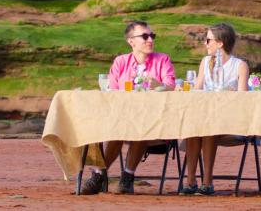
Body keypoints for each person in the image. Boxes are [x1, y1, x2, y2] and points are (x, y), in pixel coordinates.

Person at [80, 20, 176, 195]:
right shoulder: (120, 62)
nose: (150, 40)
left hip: (154, 119)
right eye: (145, 36)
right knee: (121, 128)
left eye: (152, 36)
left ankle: (124, 176)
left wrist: (157, 84)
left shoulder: (163, 60)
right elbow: (112, 92)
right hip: (121, 117)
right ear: (131, 41)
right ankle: (100, 174)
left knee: (139, 127)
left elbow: (171, 87)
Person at [180, 23, 249, 195]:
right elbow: (197, 90)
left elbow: (243, 99)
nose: (205, 43)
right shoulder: (205, 62)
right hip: (206, 115)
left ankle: (207, 182)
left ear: (220, 43)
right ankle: (190, 181)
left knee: (208, 127)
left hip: (231, 119)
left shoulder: (240, 65)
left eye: (208, 39)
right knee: (195, 127)